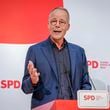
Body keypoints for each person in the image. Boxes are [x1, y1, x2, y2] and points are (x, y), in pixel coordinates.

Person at [21, 7, 92, 109]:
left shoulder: (79, 52)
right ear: (48, 25)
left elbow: (85, 84)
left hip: (73, 107)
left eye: (62, 22)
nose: (57, 25)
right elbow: (25, 88)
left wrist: (85, 101)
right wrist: (33, 80)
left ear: (68, 27)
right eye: (53, 21)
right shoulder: (35, 50)